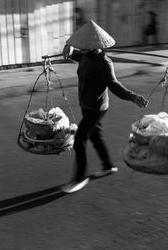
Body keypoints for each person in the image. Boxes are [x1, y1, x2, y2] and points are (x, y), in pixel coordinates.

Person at [61, 20, 149, 193]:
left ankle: (79, 178)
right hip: (85, 104)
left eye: (82, 45)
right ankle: (108, 165)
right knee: (95, 136)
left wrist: (133, 97)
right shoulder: (85, 55)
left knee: (79, 140)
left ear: (93, 46)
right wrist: (68, 50)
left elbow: (114, 85)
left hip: (96, 108)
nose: (80, 47)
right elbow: (72, 55)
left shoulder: (103, 62)